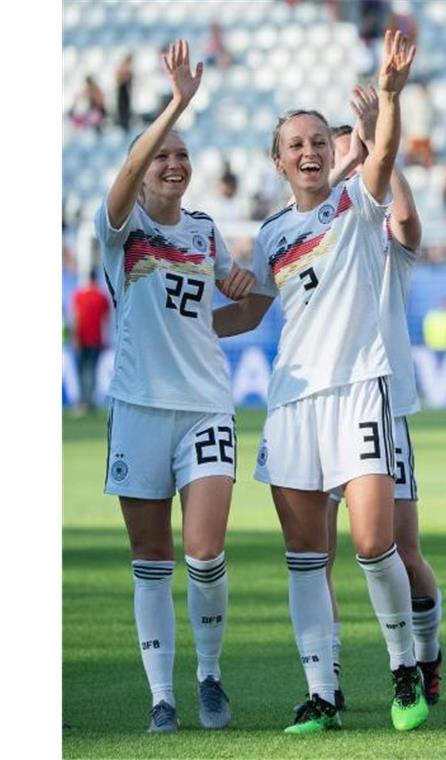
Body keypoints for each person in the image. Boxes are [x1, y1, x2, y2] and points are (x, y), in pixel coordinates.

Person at [212, 30, 429, 735]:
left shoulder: (356, 204)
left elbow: (387, 155)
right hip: (293, 404)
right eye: (295, 144)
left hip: (361, 388)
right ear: (278, 161)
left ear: (334, 151)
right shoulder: (272, 234)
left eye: (318, 141)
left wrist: (389, 98)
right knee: (306, 558)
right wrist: (197, 313)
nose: (309, 151)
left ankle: (403, 670)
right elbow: (250, 311)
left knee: (373, 543)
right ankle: (323, 694)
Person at [95, 40, 254, 734]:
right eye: (164, 154)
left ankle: (210, 676)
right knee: (151, 557)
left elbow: (231, 313)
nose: (173, 162)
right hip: (138, 410)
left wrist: (253, 289)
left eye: (182, 154)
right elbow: (127, 171)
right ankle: (163, 694)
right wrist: (177, 104)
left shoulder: (204, 230)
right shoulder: (120, 230)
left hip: (205, 407)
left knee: (204, 550)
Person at [316, 88, 444, 712]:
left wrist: (380, 154)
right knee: (319, 556)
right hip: (317, 407)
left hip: (382, 406)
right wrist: (355, 154)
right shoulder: (307, 240)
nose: (356, 168)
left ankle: (426, 657)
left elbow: (409, 222)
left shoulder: (385, 241)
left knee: (399, 549)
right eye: (349, 159)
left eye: (361, 157)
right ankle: (327, 684)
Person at [70, 269, 111, 415]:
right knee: (92, 370)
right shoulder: (102, 297)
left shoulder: (79, 295)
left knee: (82, 371)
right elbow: (105, 320)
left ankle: (83, 402)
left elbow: (77, 318)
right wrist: (105, 338)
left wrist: (74, 338)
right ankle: (90, 401)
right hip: (96, 339)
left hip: (82, 339)